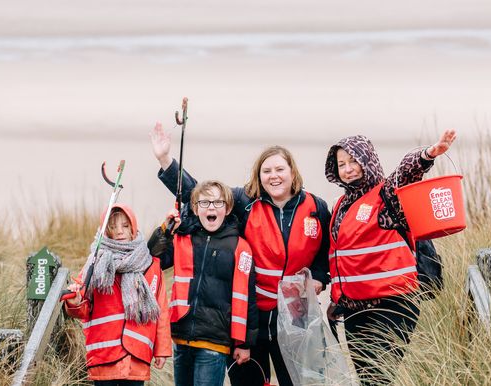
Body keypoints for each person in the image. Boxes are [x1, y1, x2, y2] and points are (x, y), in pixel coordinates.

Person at [150, 122, 331, 386]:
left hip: (295, 315)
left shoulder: (316, 207)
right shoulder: (245, 202)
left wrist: (318, 277)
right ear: (259, 176)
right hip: (252, 318)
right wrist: (166, 160)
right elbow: (202, 195)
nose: (274, 176)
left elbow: (326, 251)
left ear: (292, 172)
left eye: (280, 169)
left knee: (301, 381)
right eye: (266, 171)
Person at [325, 130, 456, 385]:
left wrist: (428, 154)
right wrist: (336, 300)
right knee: (367, 379)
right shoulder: (340, 206)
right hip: (354, 311)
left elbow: (405, 174)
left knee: (379, 378)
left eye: (354, 161)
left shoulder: (386, 196)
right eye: (342, 164)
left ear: (368, 160)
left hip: (393, 305)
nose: (348, 169)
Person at [152, 180, 259, 386]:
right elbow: (154, 258)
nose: (211, 207)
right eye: (205, 202)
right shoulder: (183, 239)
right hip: (181, 338)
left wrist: (244, 343)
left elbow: (248, 298)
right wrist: (166, 229)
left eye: (218, 203)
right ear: (194, 208)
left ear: (227, 209)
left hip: (215, 343)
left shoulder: (240, 247)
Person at [64, 204, 171, 386]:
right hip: (104, 356)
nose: (120, 232)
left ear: (133, 228)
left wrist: (162, 350)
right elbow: (82, 308)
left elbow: (161, 312)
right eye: (113, 227)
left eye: (125, 226)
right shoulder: (95, 263)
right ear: (107, 232)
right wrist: (75, 302)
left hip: (137, 358)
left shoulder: (151, 266)